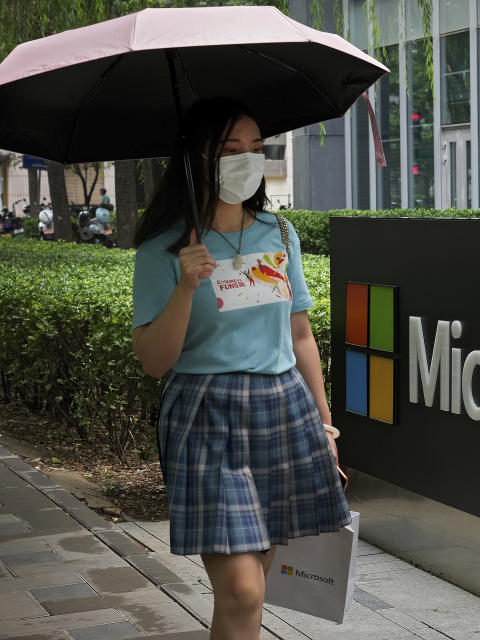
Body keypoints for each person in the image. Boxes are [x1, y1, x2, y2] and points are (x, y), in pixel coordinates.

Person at [131, 97, 350, 640]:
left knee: (260, 580)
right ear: (196, 158)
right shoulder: (165, 249)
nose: (247, 159)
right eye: (231, 149)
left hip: (282, 410)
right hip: (205, 416)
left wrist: (324, 424)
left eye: (257, 148)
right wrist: (186, 284)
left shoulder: (278, 235)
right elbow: (155, 361)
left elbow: (300, 335)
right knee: (242, 589)